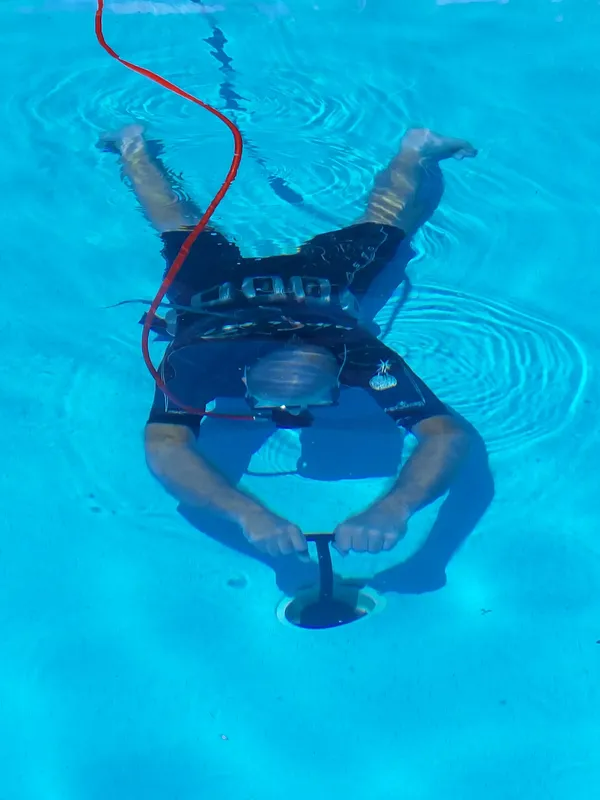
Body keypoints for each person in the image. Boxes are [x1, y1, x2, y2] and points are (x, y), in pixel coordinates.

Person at [101, 123, 477, 564]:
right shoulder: (204, 360)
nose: (292, 419)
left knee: (178, 226)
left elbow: (169, 443)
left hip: (275, 290)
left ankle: (133, 148)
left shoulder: (350, 349)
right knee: (387, 223)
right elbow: (164, 446)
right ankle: (415, 150)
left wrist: (395, 506)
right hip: (305, 290)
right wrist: (245, 512)